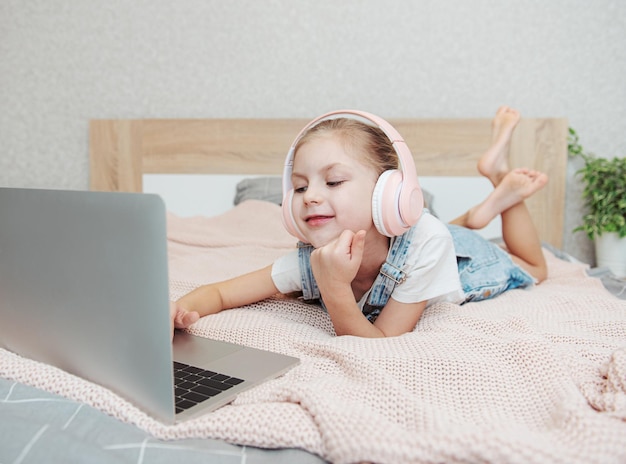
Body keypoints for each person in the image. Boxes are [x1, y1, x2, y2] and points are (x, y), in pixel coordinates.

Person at [170, 106, 548, 338]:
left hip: (461, 261)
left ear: (391, 193)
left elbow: (378, 340)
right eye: (300, 188)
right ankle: (479, 213)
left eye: (333, 182)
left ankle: (501, 181)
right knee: (439, 230)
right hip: (432, 237)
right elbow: (220, 293)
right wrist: (176, 310)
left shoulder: (427, 241)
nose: (311, 196)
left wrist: (334, 289)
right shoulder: (311, 258)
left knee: (535, 267)